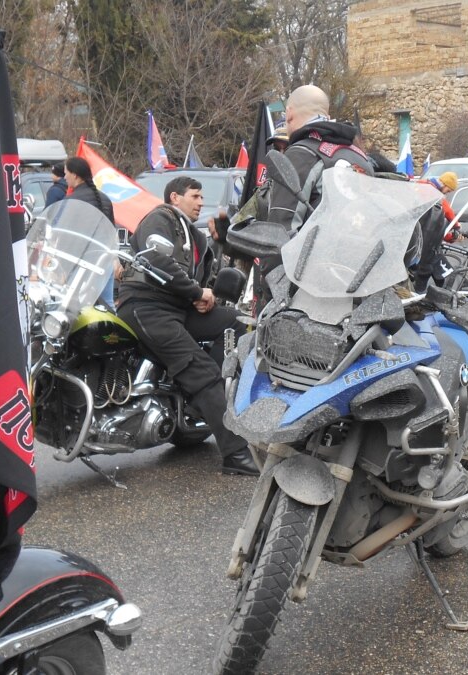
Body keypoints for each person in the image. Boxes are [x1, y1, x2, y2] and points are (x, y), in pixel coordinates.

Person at [115, 176, 258, 476]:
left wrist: (205, 297)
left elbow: (200, 282)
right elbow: (156, 260)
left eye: (202, 197)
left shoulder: (196, 236)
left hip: (177, 309)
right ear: (174, 198)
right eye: (194, 196)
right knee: (202, 373)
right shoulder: (161, 217)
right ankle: (235, 454)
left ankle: (204, 400)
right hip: (147, 307)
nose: (201, 202)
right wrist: (195, 293)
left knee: (236, 322)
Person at [266, 84, 375, 230]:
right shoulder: (361, 157)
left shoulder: (299, 155)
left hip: (315, 253)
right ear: (327, 117)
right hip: (361, 251)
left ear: (289, 114)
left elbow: (280, 232)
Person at [63, 156, 118, 308]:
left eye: (66, 172)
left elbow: (66, 237)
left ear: (75, 175)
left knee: (76, 307)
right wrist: (114, 258)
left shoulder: (73, 200)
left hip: (81, 262)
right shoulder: (105, 199)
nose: (64, 176)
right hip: (104, 259)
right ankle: (113, 332)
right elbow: (111, 232)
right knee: (107, 305)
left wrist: (61, 266)